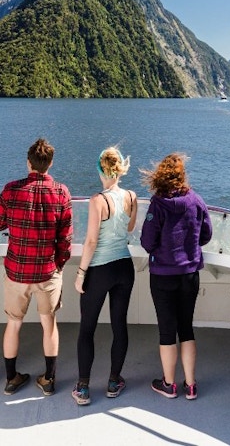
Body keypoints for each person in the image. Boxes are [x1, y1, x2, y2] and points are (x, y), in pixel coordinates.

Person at [0, 138, 73, 396]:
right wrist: (59, 266)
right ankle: (48, 380)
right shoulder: (61, 192)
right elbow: (65, 239)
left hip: (16, 271)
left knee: (13, 324)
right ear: (50, 164)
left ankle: (11, 379)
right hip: (47, 272)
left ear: (28, 162)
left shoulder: (10, 190)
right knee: (49, 324)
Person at [140, 152, 212, 400]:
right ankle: (190, 385)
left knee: (167, 331)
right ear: (182, 176)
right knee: (186, 328)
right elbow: (206, 235)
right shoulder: (196, 201)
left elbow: (147, 242)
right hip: (189, 273)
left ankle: (169, 384)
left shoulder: (157, 205)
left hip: (162, 275)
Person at [72, 146, 137, 405]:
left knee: (87, 328)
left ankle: (84, 388)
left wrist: (80, 274)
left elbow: (90, 241)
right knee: (119, 325)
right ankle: (113, 381)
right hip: (124, 267)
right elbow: (130, 227)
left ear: (100, 170)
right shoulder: (131, 196)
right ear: (119, 169)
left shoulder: (97, 200)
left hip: (100, 269)